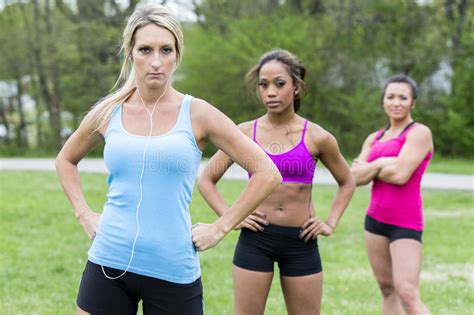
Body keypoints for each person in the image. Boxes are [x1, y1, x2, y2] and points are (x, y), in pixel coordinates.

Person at [55, 4, 281, 315]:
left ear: (177, 54)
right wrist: (84, 213)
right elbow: (65, 160)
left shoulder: (198, 113)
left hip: (173, 270)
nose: (156, 62)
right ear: (130, 52)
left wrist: (221, 226)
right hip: (108, 262)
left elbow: (267, 172)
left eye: (166, 50)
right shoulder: (108, 112)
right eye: (145, 50)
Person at [198, 49, 355, 315]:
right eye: (263, 84)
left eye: (279, 84)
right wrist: (231, 217)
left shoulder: (318, 137)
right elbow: (206, 178)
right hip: (255, 240)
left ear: (296, 87)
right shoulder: (244, 132)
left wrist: (330, 222)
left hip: (301, 242)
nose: (270, 92)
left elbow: (347, 181)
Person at [351, 74, 433, 315]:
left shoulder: (419, 133)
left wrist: (372, 167)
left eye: (403, 97)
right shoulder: (374, 138)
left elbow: (400, 175)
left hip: (405, 223)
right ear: (383, 101)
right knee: (387, 289)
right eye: (391, 97)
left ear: (413, 103)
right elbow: (354, 178)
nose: (396, 102)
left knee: (407, 292)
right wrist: (383, 164)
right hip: (374, 221)